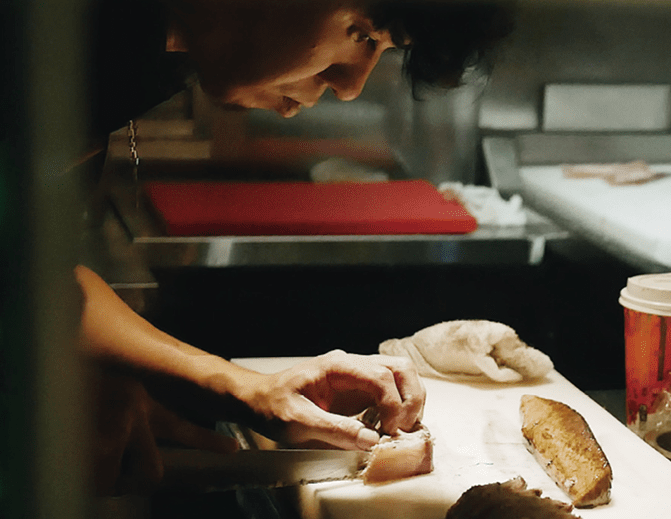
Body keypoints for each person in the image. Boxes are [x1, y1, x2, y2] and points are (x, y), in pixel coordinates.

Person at [79, 0, 515, 494]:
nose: (350, 88)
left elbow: (26, 271)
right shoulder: (28, 35)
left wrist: (242, 386)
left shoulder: (137, 52)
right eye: (363, 35)